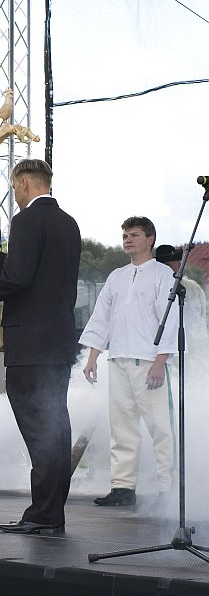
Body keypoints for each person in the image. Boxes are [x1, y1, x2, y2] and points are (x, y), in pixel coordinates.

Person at [0, 159, 81, 535]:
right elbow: (39, 275)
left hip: (30, 344)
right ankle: (51, 512)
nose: (15, 195)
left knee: (40, 430)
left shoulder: (26, 221)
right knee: (56, 427)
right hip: (58, 342)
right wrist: (2, 259)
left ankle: (43, 515)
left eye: (15, 188)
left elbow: (19, 280)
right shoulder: (68, 223)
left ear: (26, 183)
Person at [80, 217, 178, 507]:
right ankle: (123, 488)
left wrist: (161, 362)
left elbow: (169, 321)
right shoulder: (117, 276)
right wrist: (93, 356)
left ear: (150, 239)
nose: (127, 240)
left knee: (161, 427)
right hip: (119, 358)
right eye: (124, 235)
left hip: (149, 362)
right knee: (121, 426)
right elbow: (102, 318)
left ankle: (168, 489)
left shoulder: (163, 275)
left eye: (134, 235)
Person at [155, 244, 209, 380]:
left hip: (187, 353)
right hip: (166, 354)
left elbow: (198, 327)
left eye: (178, 263)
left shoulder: (192, 290)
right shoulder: (154, 288)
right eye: (174, 263)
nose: (179, 266)